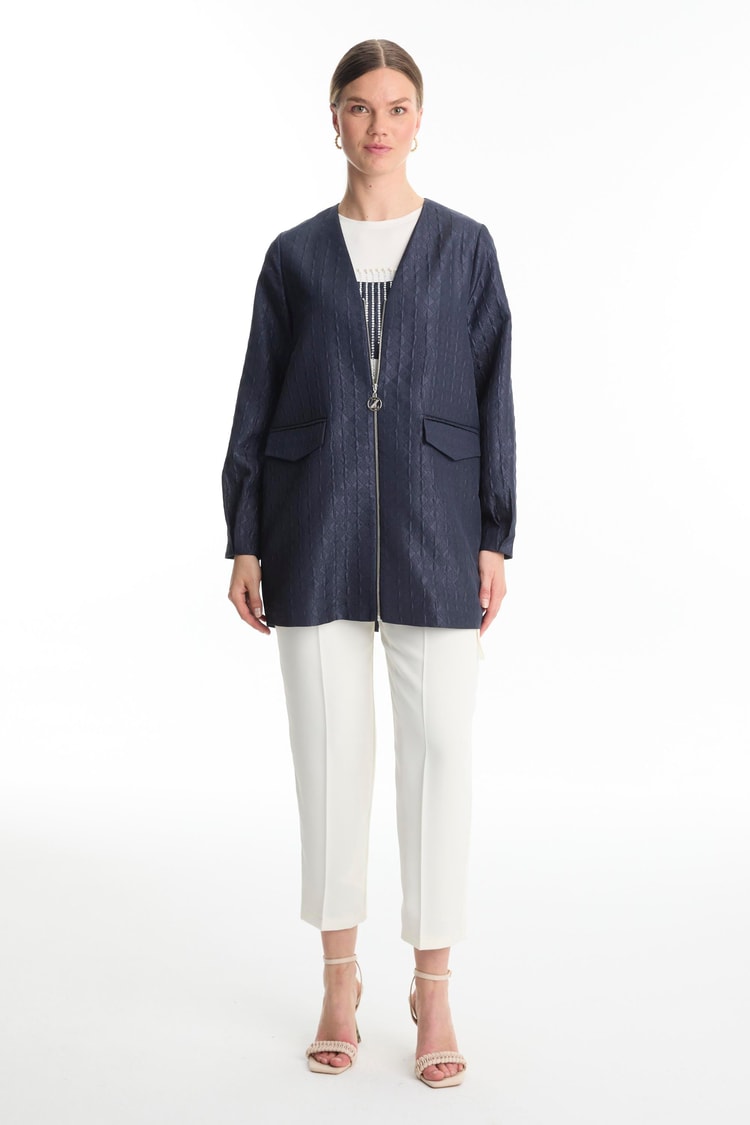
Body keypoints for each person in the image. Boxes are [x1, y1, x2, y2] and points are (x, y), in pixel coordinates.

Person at [222, 38, 515, 1088]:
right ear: (335, 121)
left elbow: (494, 392)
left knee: (441, 760)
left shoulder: (467, 249)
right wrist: (245, 533)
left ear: (419, 121)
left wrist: (495, 533)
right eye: (358, 106)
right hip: (313, 525)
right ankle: (339, 979)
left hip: (437, 528)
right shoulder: (294, 256)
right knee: (329, 761)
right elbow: (257, 397)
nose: (377, 124)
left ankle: (432, 987)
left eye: (395, 106)